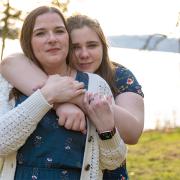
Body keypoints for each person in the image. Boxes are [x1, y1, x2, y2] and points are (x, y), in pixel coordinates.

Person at [1, 14, 144, 179]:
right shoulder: (24, 74)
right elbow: (11, 62)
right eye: (76, 47)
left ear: (103, 47)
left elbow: (132, 134)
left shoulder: (118, 75)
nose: (84, 54)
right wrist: (59, 100)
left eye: (92, 45)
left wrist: (79, 99)